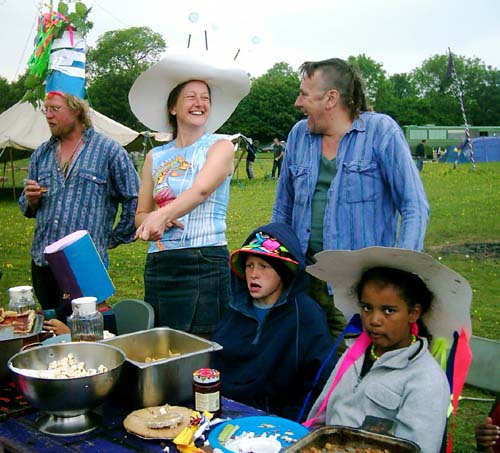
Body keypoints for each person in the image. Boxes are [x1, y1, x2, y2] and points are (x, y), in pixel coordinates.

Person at [271, 57, 429, 345]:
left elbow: (414, 206)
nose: (297, 102)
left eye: (305, 94)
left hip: (361, 289)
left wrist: (399, 276)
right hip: (304, 282)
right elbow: (282, 208)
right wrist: (276, 263)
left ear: (331, 98)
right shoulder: (297, 135)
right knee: (307, 365)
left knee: (353, 370)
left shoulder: (381, 132)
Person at [129, 49, 250, 334]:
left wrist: (164, 215)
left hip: (204, 260)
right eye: (191, 97)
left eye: (205, 98)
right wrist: (152, 222)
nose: (200, 103)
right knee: (161, 344)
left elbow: (200, 191)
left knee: (204, 347)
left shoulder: (220, 146)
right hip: (160, 263)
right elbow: (140, 215)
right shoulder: (154, 157)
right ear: (173, 107)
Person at [305, 246, 472, 453]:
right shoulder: (353, 355)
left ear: (413, 313)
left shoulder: (426, 380)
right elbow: (321, 416)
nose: (374, 320)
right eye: (367, 308)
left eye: (389, 311)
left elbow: (419, 447)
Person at [18, 91, 140, 311]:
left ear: (76, 110)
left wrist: (112, 238)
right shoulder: (41, 154)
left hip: (85, 262)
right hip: (43, 262)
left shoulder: (109, 151)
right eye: (46, 110)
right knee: (52, 328)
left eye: (55, 109)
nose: (48, 116)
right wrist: (31, 200)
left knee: (85, 328)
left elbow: (135, 198)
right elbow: (25, 205)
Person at [211, 222, 335, 421]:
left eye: (264, 266)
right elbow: (218, 359)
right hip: (226, 408)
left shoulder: (306, 315)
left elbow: (320, 378)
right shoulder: (236, 307)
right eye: (249, 265)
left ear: (283, 271)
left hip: (279, 418)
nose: (253, 274)